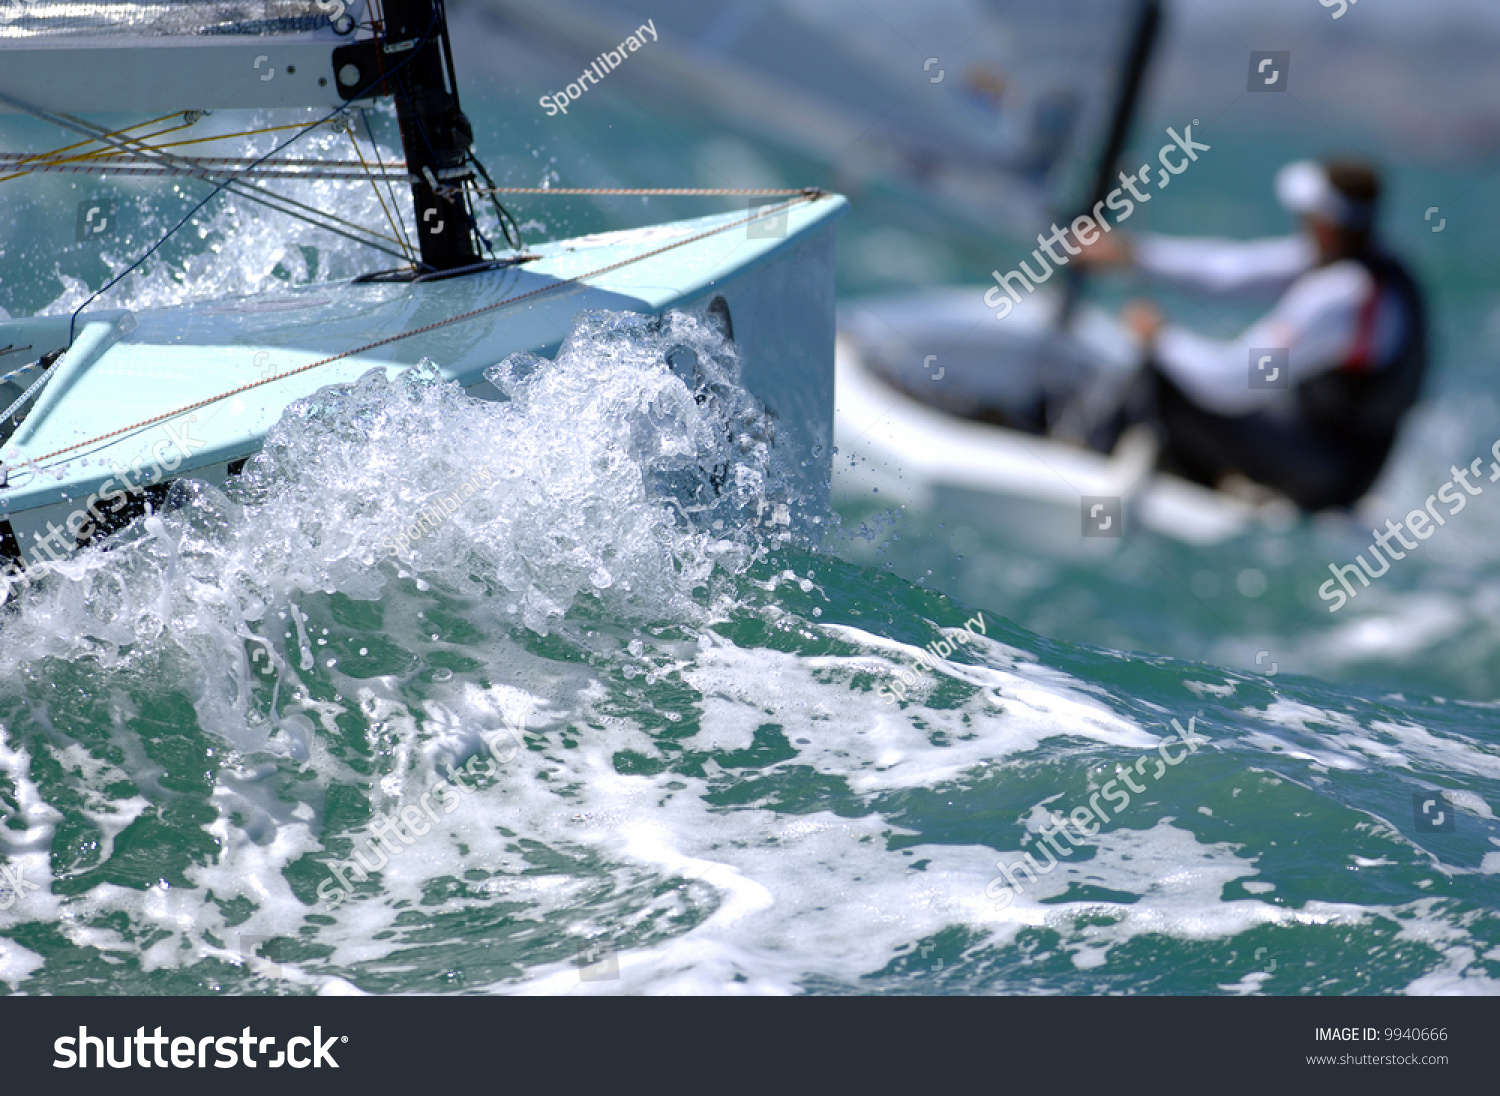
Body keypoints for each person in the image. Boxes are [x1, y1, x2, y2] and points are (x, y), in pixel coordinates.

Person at [1076, 158, 1427, 512]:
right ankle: (1186, 470)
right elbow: (1229, 271)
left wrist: (1159, 337)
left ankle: (1086, 462)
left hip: (1328, 479)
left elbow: (1230, 382)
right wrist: (1131, 254)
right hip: (1335, 459)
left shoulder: (1343, 298)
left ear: (1324, 225)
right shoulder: (1364, 262)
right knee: (1185, 377)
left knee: (1164, 379)